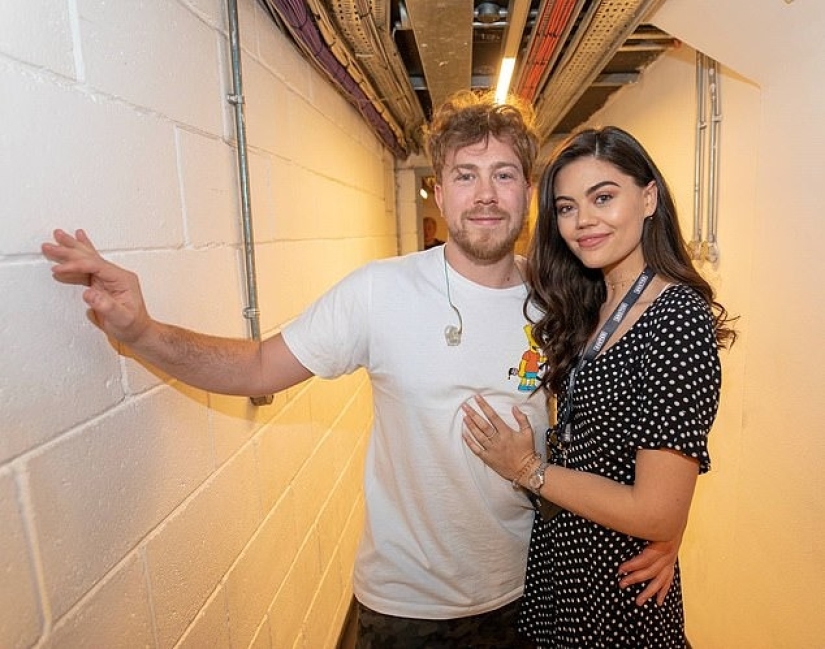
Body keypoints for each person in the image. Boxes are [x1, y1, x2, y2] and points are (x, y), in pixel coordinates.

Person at [42, 95, 678, 648]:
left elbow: (610, 431)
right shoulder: (378, 292)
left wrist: (659, 527)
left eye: (503, 174)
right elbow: (259, 366)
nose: (485, 194)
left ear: (528, 190)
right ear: (439, 187)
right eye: (465, 175)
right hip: (408, 608)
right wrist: (144, 333)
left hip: (531, 592)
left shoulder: (562, 299)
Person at [461, 125, 737, 647]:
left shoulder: (675, 318)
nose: (582, 221)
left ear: (649, 197)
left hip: (615, 587)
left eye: (603, 197)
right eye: (566, 207)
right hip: (564, 569)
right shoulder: (592, 300)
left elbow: (657, 509)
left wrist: (526, 469)